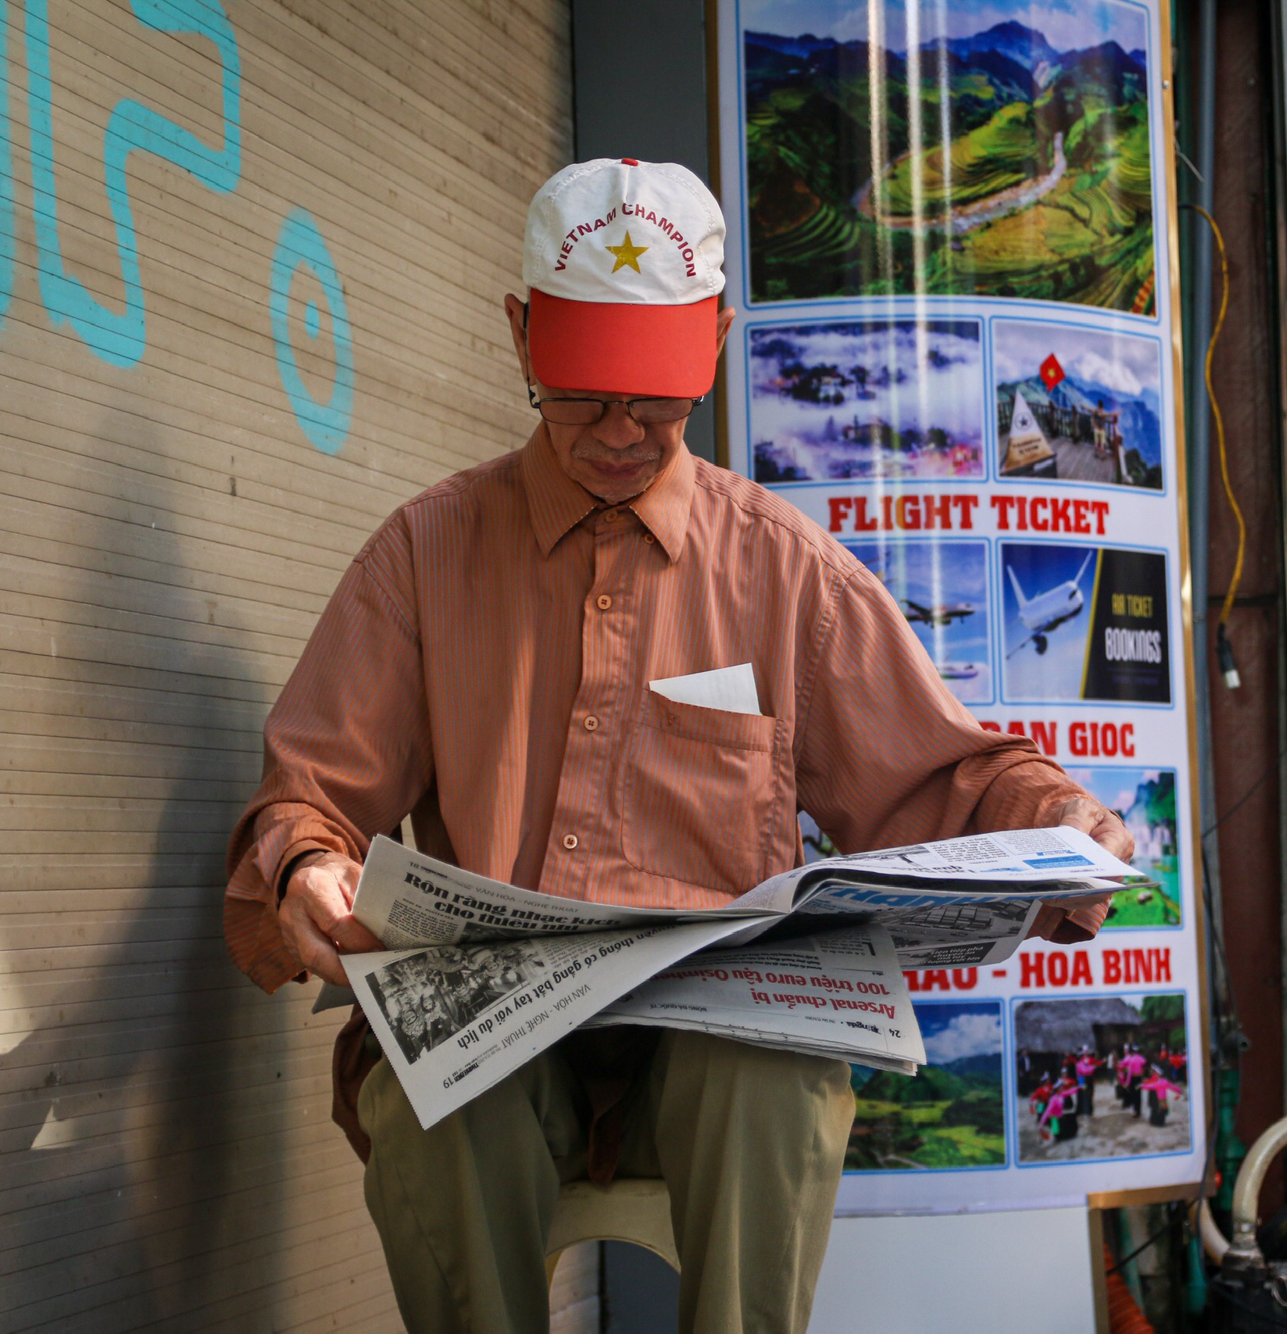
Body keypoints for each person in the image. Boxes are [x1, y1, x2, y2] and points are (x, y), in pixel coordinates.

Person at [223, 157, 1132, 1334]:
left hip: (714, 1034)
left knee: (772, 1076)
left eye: (654, 400)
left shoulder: (780, 568)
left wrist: (1053, 819)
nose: (616, 433)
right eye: (583, 394)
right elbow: (309, 793)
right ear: (520, 339)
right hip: (496, 1030)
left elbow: (938, 775)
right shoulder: (425, 552)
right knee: (431, 1089)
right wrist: (305, 866)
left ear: (714, 343)